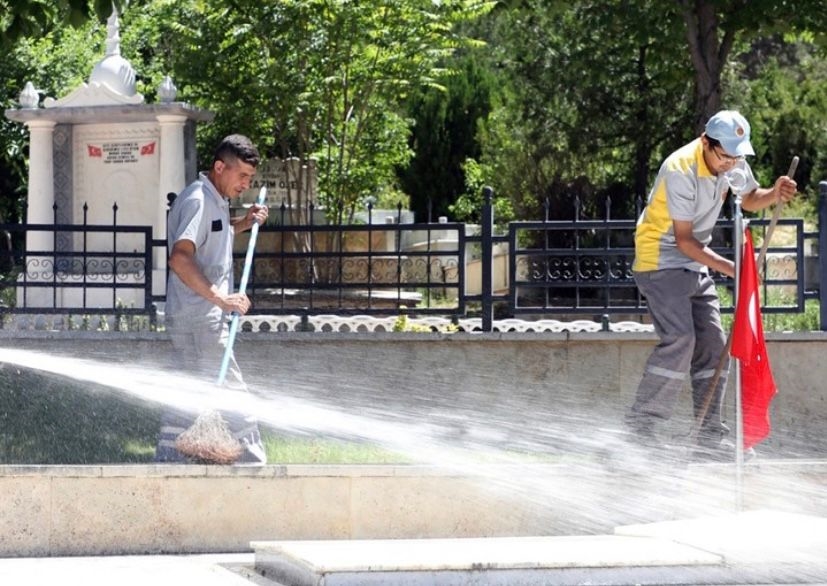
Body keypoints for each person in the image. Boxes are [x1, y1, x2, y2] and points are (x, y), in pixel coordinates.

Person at [626, 110, 797, 459]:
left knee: (715, 344)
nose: (731, 163)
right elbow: (685, 241)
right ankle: (640, 429)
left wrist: (774, 193)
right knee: (682, 339)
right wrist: (734, 269)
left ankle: (708, 436)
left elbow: (749, 198)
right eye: (725, 156)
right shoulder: (679, 169)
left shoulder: (730, 159)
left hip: (692, 262)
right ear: (706, 142)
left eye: (737, 156)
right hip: (659, 259)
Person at [155, 134, 269, 464]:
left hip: (199, 316)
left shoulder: (214, 199)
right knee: (232, 392)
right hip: (199, 317)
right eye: (242, 176)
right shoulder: (198, 201)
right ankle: (253, 466)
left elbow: (215, 234)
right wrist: (221, 299)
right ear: (220, 167)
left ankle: (170, 461)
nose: (246, 185)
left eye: (250, 178)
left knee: (188, 392)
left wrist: (245, 222)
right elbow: (180, 258)